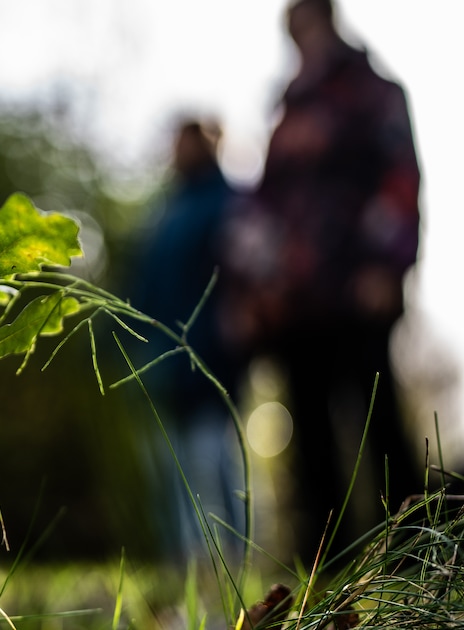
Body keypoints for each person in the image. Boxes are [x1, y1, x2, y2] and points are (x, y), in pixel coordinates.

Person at [225, 0, 421, 563]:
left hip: (357, 292)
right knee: (309, 443)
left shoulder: (371, 90)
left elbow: (400, 177)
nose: (300, 36)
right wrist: (249, 288)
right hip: (294, 304)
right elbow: (261, 209)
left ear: (328, 19)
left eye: (307, 23)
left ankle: (412, 561)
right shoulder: (285, 114)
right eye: (292, 29)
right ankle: (326, 574)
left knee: (379, 426)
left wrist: (386, 265)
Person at [130, 119, 245, 559]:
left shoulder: (227, 202)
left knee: (215, 459)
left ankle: (237, 558)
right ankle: (189, 560)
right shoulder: (167, 211)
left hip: (213, 357)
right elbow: (148, 282)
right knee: (174, 466)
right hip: (166, 360)